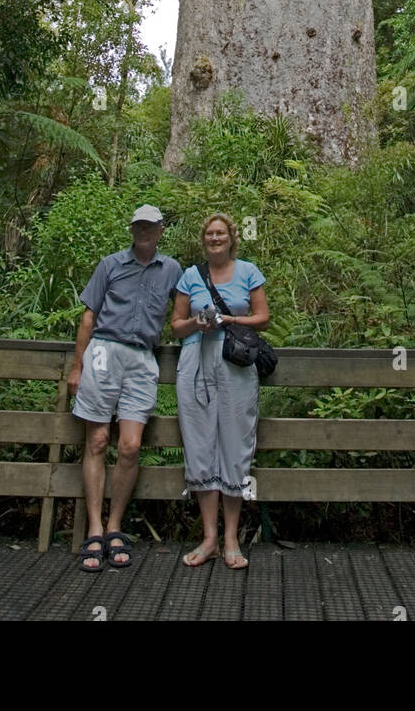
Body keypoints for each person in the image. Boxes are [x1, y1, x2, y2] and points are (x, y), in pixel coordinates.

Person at [68, 205, 182, 571]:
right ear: (132, 229)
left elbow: (183, 315)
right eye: (138, 226)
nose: (143, 231)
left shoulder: (173, 270)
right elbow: (89, 315)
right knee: (98, 440)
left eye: (150, 226)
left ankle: (116, 524)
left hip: (142, 357)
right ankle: (95, 528)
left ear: (161, 230)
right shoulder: (111, 264)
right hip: (104, 352)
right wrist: (77, 366)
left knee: (130, 446)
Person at [171, 212, 270, 570]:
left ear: (231, 238)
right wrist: (197, 322)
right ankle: (209, 537)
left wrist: (229, 320)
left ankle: (231, 538)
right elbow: (176, 326)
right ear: (204, 239)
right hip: (196, 361)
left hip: (236, 364)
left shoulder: (248, 271)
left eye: (221, 233)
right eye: (210, 234)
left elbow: (263, 317)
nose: (215, 238)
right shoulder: (190, 276)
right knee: (199, 445)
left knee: (235, 443)